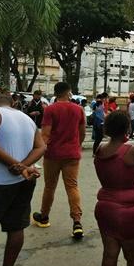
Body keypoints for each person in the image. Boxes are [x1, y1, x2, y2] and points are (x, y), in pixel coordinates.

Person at [94, 111, 134, 266]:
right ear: (127, 127)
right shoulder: (131, 151)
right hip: (127, 212)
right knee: (133, 257)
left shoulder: (100, 149)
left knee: (109, 255)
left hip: (104, 207)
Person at [0, 94, 45, 266]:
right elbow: (41, 146)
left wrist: (14, 164)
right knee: (16, 228)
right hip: (23, 180)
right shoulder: (27, 119)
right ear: (14, 103)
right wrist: (23, 165)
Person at [32, 82, 87, 239]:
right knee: (72, 186)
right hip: (72, 155)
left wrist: (38, 153)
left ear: (55, 94)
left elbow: (45, 135)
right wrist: (77, 146)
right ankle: (77, 222)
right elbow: (82, 133)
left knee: (50, 186)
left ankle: (44, 217)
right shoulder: (79, 109)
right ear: (69, 93)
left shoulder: (50, 109)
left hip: (53, 155)